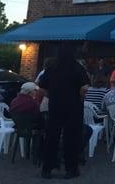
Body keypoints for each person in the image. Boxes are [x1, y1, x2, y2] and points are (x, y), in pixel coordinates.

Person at [38, 45, 90, 179]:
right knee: (71, 137)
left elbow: (41, 87)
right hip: (73, 107)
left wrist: (52, 96)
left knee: (52, 136)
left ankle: (47, 168)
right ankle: (71, 169)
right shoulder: (77, 67)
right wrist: (79, 97)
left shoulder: (51, 68)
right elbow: (84, 87)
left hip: (55, 106)